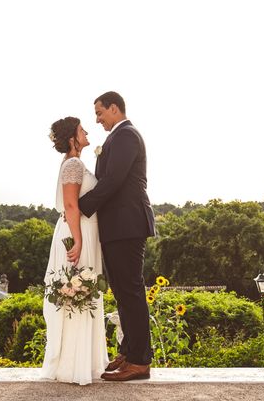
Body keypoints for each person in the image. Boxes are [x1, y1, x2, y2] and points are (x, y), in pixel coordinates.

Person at [78, 91, 156, 382]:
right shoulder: (118, 137)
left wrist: (81, 208)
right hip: (118, 226)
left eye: (99, 113)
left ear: (114, 108)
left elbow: (114, 180)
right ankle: (129, 351)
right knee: (123, 292)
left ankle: (140, 361)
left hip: (128, 224)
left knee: (131, 291)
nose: (97, 120)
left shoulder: (126, 135)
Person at [40, 116, 109, 385]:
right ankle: (72, 364)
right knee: (77, 291)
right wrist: (78, 241)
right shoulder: (72, 163)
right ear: (72, 138)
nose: (87, 132)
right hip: (76, 232)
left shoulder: (74, 163)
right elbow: (71, 206)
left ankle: (84, 360)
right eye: (82, 129)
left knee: (81, 293)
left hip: (81, 230)